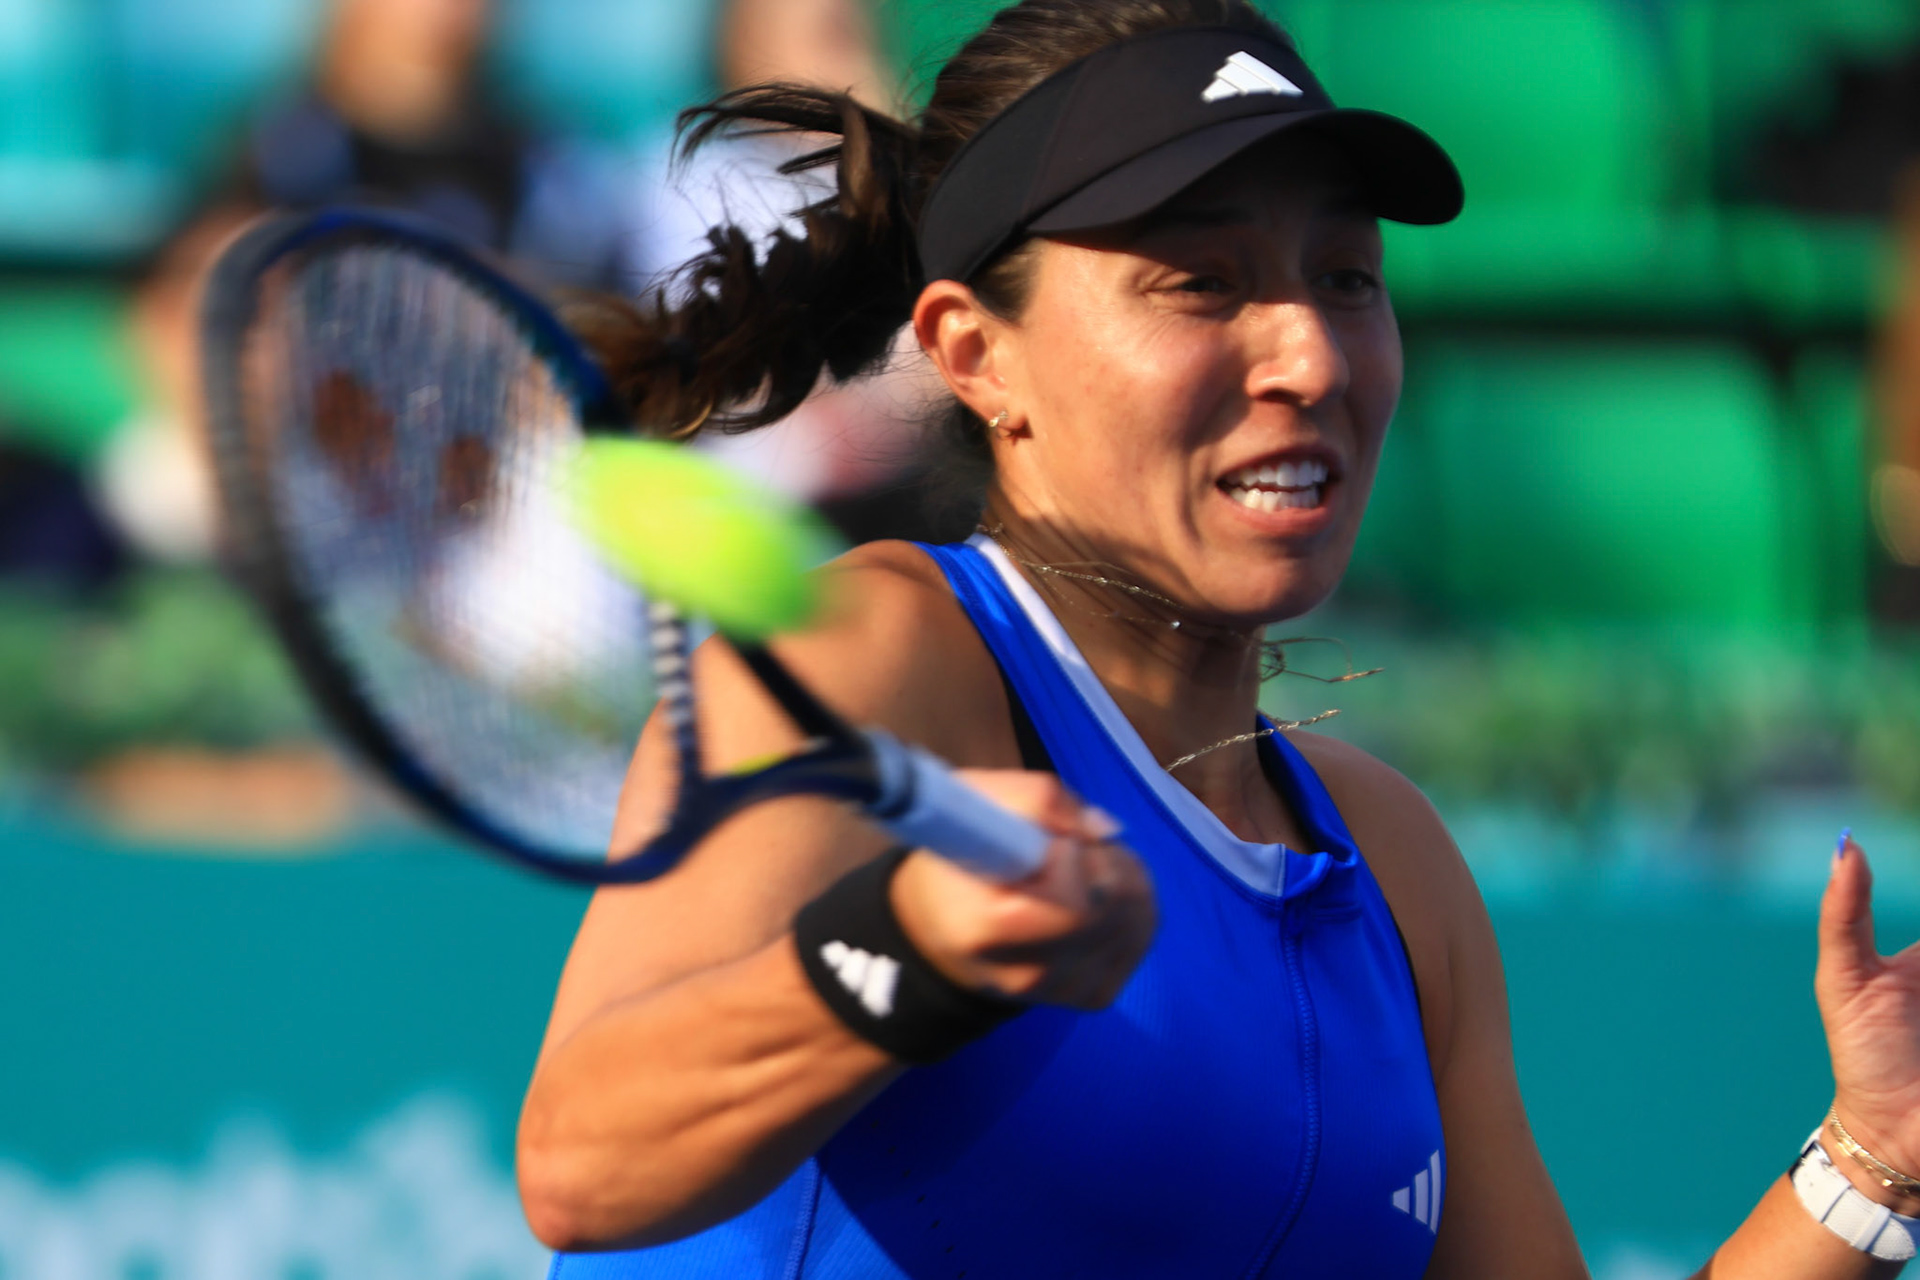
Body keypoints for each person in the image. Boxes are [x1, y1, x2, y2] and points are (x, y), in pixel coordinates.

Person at [519, 2, 1920, 1275]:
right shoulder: (878, 655)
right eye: (1201, 283)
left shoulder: (1398, 864)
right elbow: (585, 1167)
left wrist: (1870, 1163)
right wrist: (906, 946)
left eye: (1347, 280)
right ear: (973, 355)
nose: (1310, 355)